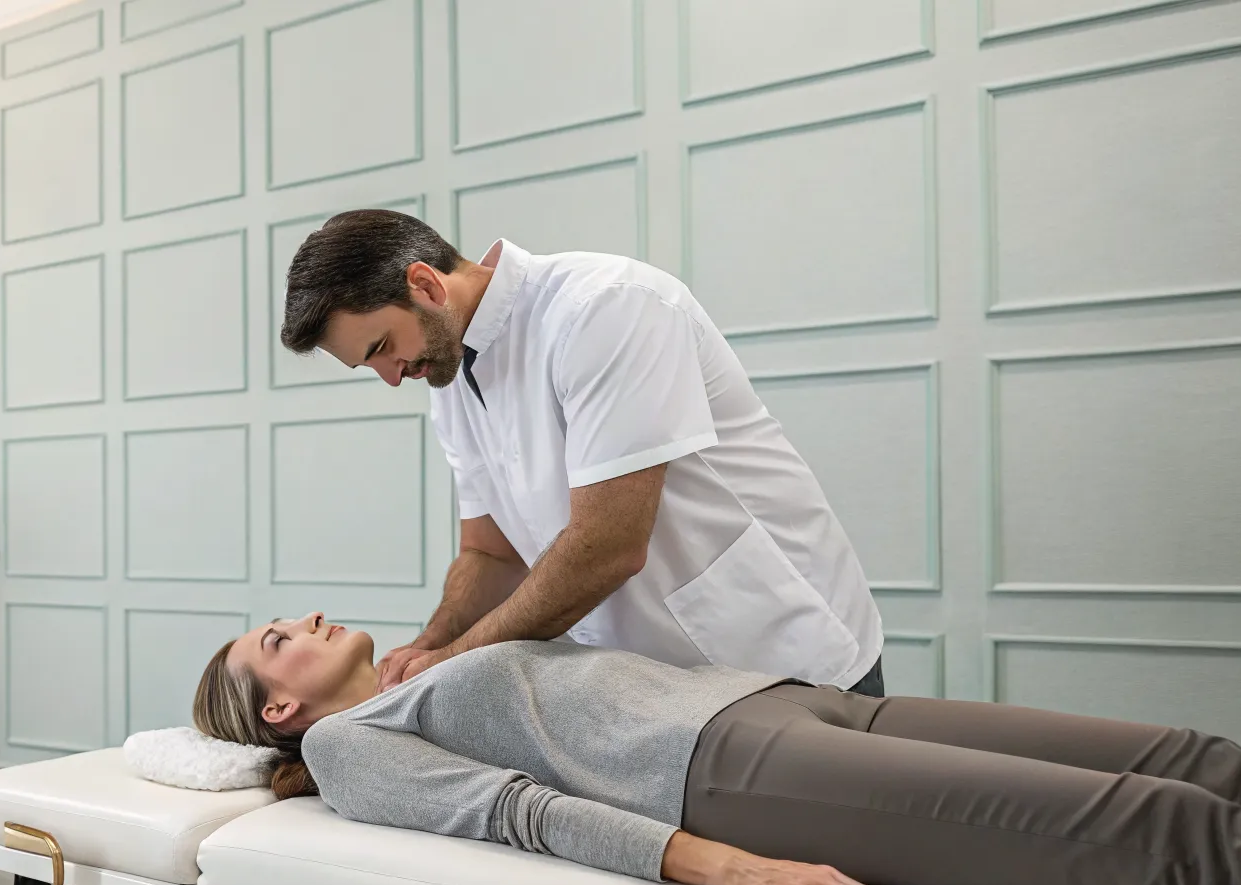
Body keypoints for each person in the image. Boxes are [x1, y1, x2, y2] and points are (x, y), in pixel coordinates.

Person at [193, 614, 1241, 885]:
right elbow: (515, 815)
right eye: (276, 642)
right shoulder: (344, 750)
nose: (304, 620)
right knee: (1160, 826)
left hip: (784, 701)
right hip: (732, 773)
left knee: (1199, 760)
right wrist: (730, 867)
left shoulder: (418, 673)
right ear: (279, 711)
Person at [281, 211, 886, 695]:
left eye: (382, 347)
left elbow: (609, 546)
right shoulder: (449, 379)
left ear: (426, 285)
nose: (391, 377)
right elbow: (491, 552)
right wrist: (428, 646)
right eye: (369, 365)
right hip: (673, 697)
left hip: (785, 654)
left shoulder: (606, 307)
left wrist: (454, 661)